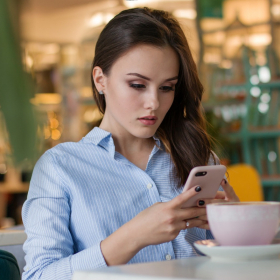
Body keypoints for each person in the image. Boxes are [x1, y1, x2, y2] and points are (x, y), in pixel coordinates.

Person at [21, 7, 239, 280]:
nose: (154, 103)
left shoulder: (197, 158)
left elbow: (234, 266)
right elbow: (38, 276)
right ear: (100, 79)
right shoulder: (60, 167)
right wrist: (133, 236)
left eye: (166, 87)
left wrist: (236, 226)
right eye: (137, 85)